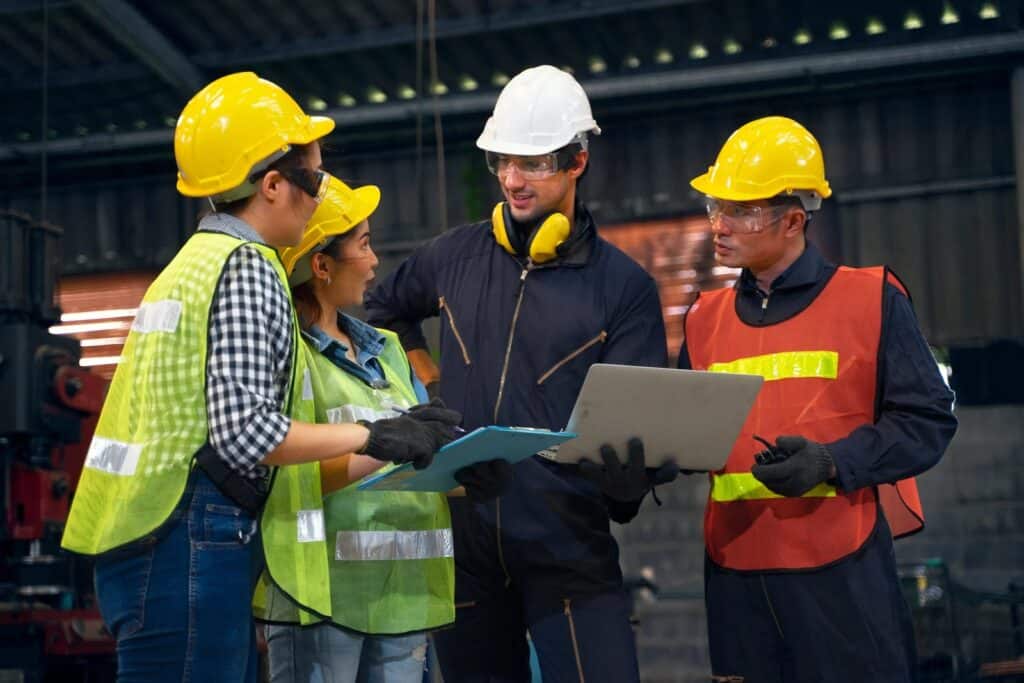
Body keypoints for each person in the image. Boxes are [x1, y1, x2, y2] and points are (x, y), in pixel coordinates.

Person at [60, 72, 459, 682]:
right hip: (187, 533)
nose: (322, 195)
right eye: (316, 180)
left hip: (146, 533)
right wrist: (373, 436)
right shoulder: (248, 268)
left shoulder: (190, 265)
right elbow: (246, 432)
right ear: (273, 185)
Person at [365, 64, 674, 682]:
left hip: (568, 546)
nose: (512, 179)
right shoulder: (454, 255)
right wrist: (427, 382)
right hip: (467, 546)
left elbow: (649, 424)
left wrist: (628, 481)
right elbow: (383, 310)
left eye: (532, 164)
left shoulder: (623, 288)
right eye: (502, 161)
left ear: (576, 161)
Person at [680, 116, 958, 682]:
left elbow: (928, 420)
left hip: (841, 577)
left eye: (741, 210)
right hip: (737, 580)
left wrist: (833, 462)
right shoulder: (701, 320)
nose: (720, 225)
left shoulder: (871, 299)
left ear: (793, 219)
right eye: (716, 207)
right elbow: (685, 438)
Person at [261, 176, 513, 682]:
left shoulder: (387, 349)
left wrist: (467, 477)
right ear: (322, 264)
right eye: (364, 244)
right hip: (324, 601)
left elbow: (416, 456)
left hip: (406, 598)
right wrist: (380, 442)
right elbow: (282, 470)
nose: (376, 261)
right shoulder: (289, 352)